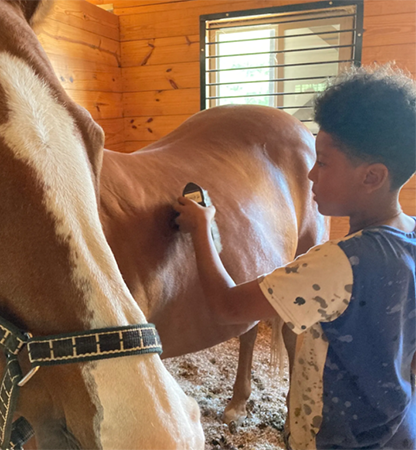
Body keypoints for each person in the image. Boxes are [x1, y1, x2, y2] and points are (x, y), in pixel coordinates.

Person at [174, 65, 416, 450]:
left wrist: (202, 228)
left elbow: (227, 305)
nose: (309, 175)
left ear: (371, 177)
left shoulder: (338, 264)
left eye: (323, 162)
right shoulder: (412, 235)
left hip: (333, 440)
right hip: (398, 429)